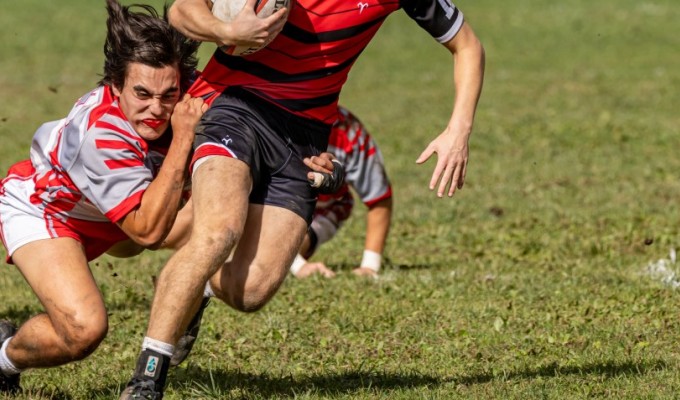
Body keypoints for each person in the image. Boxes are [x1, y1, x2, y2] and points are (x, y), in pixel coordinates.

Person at [120, 0, 484, 397]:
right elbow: (181, 10)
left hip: (304, 137)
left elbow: (468, 46)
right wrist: (227, 32)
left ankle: (194, 287)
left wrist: (458, 130)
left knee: (252, 291)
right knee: (217, 232)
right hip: (233, 105)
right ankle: (147, 379)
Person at [0, 0, 205, 393]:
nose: (157, 109)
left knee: (230, 202)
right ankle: (3, 357)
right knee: (83, 330)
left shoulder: (188, 92)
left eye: (169, 95)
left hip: (116, 217)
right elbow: (146, 231)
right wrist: (183, 139)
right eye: (142, 94)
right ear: (115, 85)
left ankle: (197, 290)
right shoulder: (101, 135)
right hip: (48, 210)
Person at [291, 106, 393, 279]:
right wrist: (298, 266)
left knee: (286, 247)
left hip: (320, 210)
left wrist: (370, 266)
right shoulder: (259, 118)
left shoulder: (348, 132)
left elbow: (379, 196)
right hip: (255, 209)